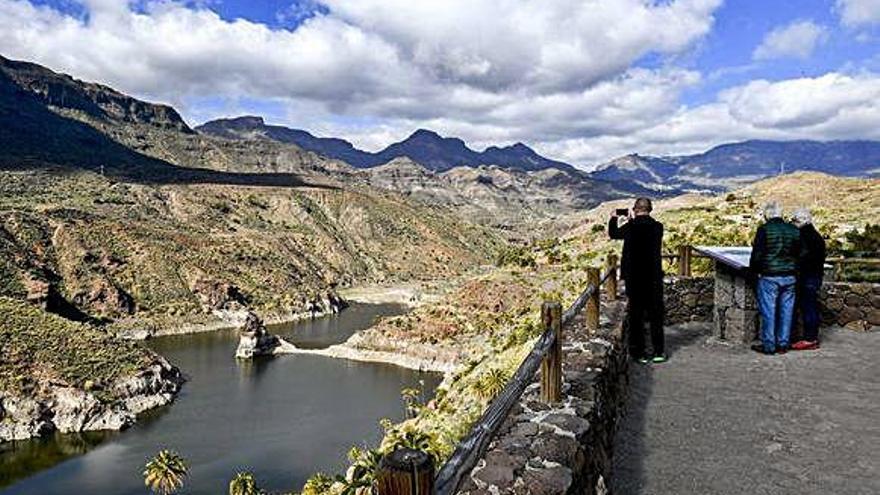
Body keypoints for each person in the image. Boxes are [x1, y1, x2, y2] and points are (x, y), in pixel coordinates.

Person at [609, 197, 666, 364]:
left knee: (636, 315)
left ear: (634, 209)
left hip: (634, 278)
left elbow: (614, 234)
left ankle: (639, 353)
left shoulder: (630, 227)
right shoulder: (658, 227)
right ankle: (658, 352)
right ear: (650, 209)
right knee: (656, 315)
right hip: (654, 277)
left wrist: (614, 218)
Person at [749, 201, 800, 355]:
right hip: (790, 277)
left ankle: (769, 346)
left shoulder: (764, 230)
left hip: (769, 277)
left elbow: (757, 255)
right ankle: (783, 344)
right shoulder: (793, 230)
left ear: (767, 215)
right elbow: (801, 253)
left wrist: (754, 271)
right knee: (787, 311)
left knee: (769, 312)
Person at [792, 208, 826, 350]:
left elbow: (800, 258)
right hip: (815, 276)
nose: (793, 223)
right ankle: (810, 337)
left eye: (794, 221)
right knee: (810, 307)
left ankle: (810, 339)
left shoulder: (803, 236)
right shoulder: (817, 236)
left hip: (806, 277)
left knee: (808, 307)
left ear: (800, 221)